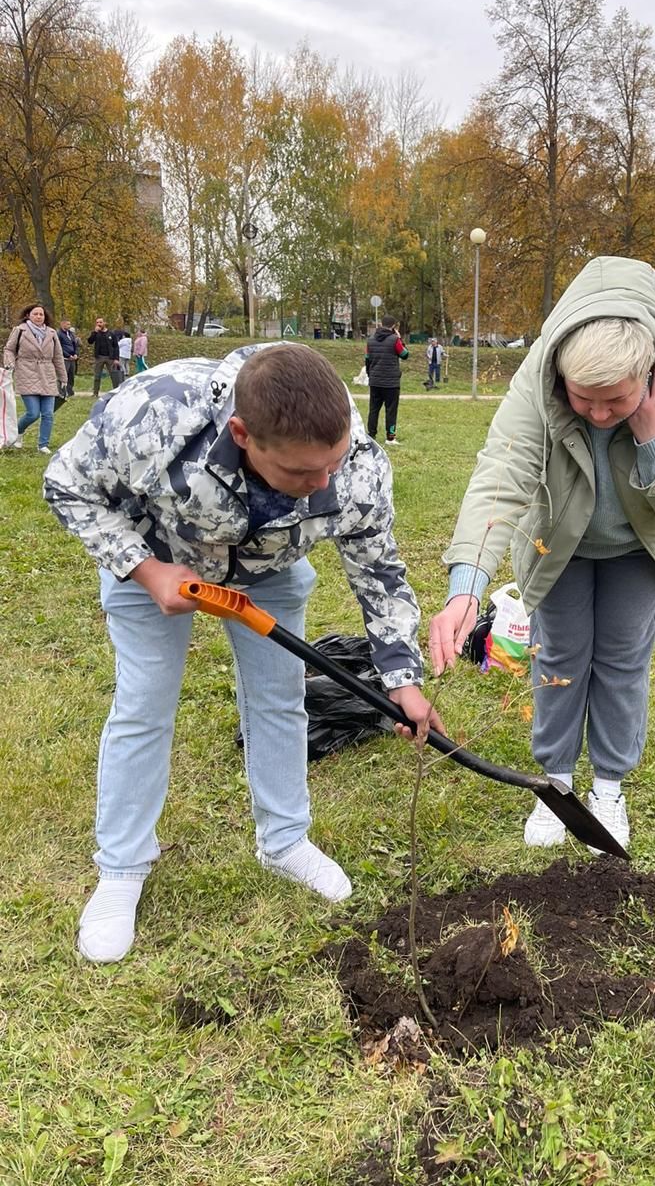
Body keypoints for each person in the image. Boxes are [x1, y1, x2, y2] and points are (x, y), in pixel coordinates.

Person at [43, 342, 442, 963]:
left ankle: (284, 841)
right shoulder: (155, 416)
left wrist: (401, 676)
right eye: (303, 474)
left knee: (281, 697)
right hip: (158, 559)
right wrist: (146, 570)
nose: (323, 483)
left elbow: (379, 571)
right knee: (144, 705)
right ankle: (122, 868)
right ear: (242, 435)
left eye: (331, 465)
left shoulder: (356, 465)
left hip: (269, 574)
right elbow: (66, 484)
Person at [428, 256, 655, 853]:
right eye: (582, 398)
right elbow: (502, 472)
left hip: (639, 549)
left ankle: (609, 788)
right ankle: (557, 787)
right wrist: (467, 584)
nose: (595, 413)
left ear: (651, 373)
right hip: (556, 545)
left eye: (614, 400)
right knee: (559, 658)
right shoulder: (541, 369)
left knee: (621, 663)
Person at [3, 303, 67, 454]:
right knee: (33, 413)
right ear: (28, 316)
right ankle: (18, 432)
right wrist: (10, 364)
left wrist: (63, 377)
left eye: (41, 314)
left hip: (47, 375)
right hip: (26, 373)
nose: (39, 316)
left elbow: (57, 356)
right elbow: (9, 349)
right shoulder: (19, 331)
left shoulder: (51, 333)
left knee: (48, 413)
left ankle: (43, 444)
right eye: (35, 314)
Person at [365, 314, 408, 445]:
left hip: (375, 381)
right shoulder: (395, 340)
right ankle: (390, 437)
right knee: (391, 410)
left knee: (373, 409)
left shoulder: (370, 340)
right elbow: (405, 354)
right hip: (391, 382)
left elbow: (367, 359)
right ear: (393, 326)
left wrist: (370, 374)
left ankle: (371, 435)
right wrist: (400, 339)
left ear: (381, 324)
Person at [88, 317, 120, 395]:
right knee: (97, 376)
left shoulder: (111, 333)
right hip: (99, 357)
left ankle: (116, 392)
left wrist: (116, 358)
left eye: (100, 322)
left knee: (113, 375)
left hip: (110, 357)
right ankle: (95, 392)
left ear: (104, 323)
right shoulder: (95, 333)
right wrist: (94, 332)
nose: (99, 324)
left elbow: (116, 346)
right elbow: (90, 341)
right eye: (97, 322)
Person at [57, 317, 80, 396]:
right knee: (63, 375)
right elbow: (58, 347)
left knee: (71, 375)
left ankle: (70, 391)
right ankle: (61, 392)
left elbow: (75, 345)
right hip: (64, 358)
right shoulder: (59, 334)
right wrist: (68, 355)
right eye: (67, 324)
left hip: (72, 358)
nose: (69, 326)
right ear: (62, 324)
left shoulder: (71, 334)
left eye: (70, 324)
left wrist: (76, 354)